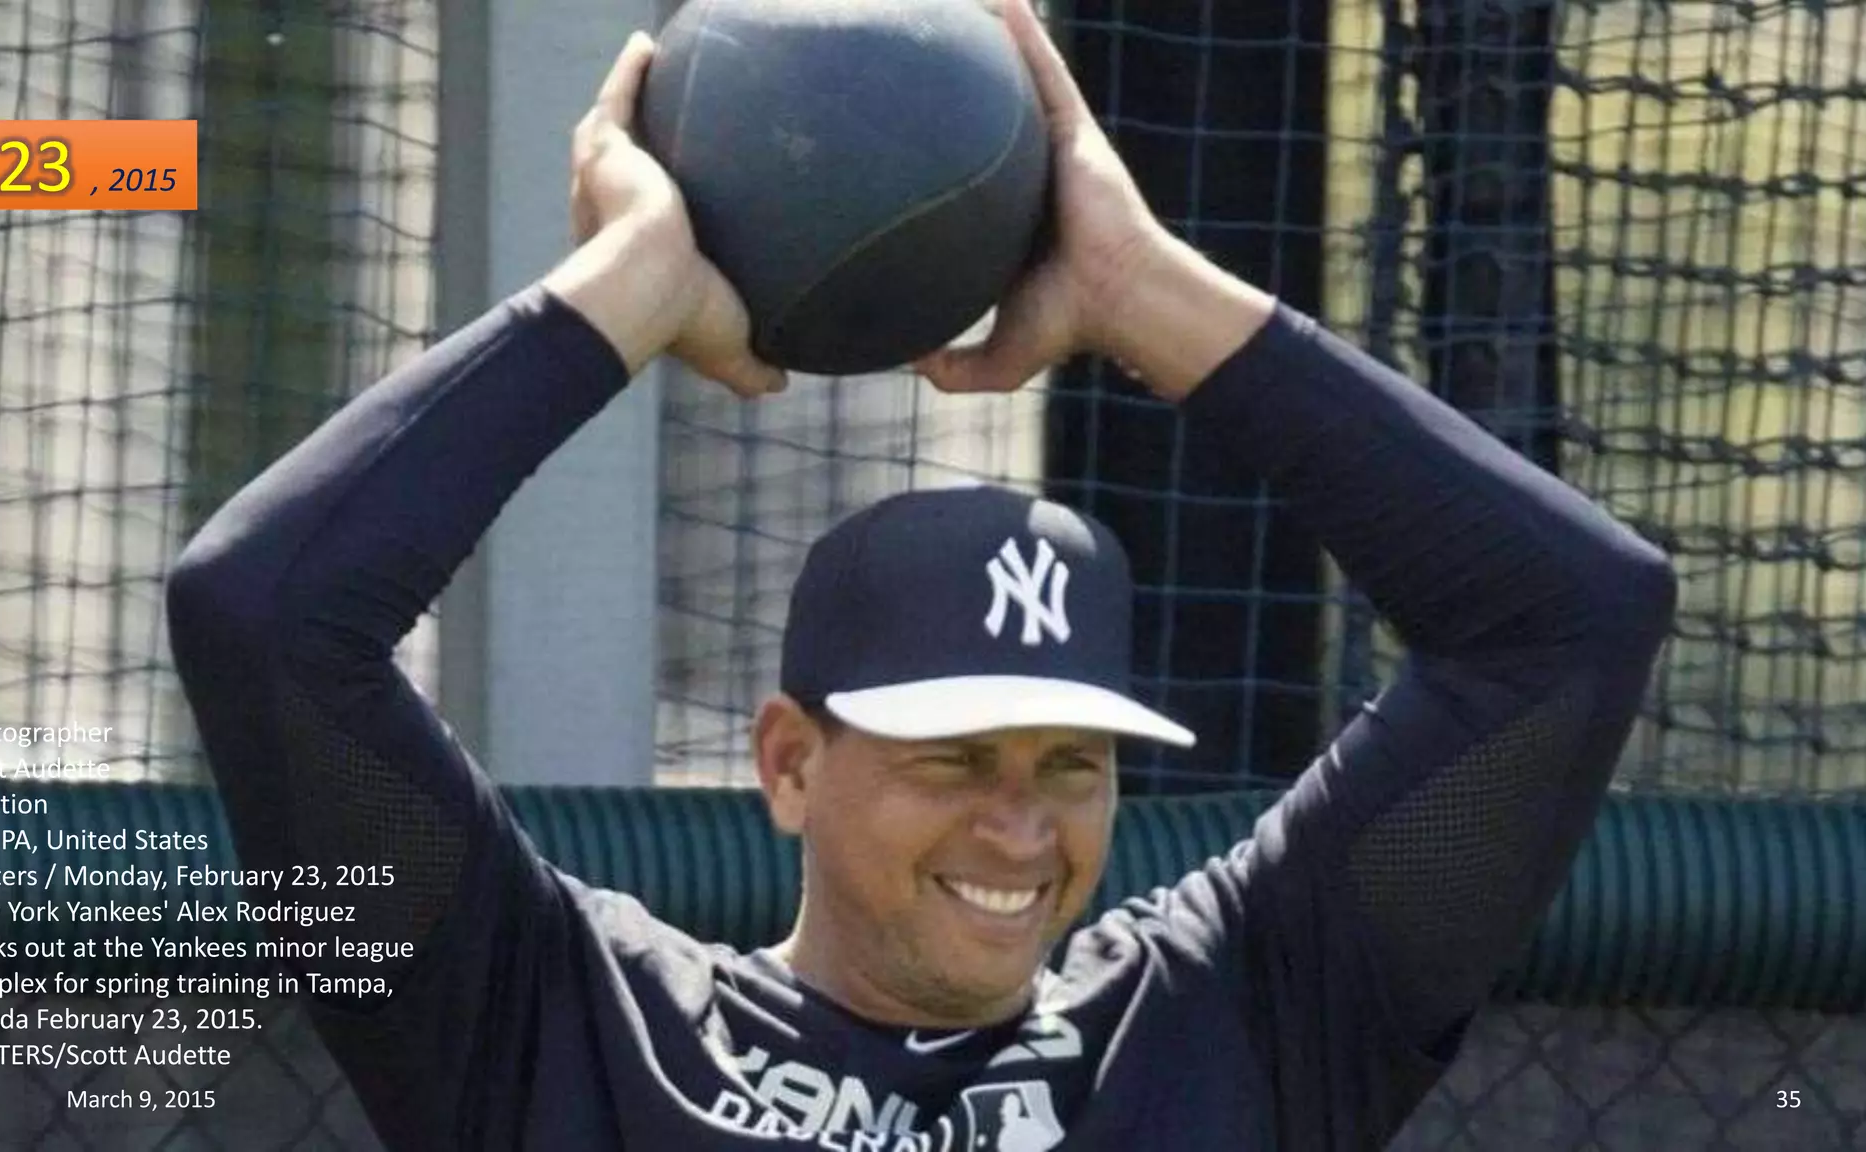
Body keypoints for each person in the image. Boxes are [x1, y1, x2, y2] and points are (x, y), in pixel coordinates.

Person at [165, 2, 1675, 1149]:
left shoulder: (1237, 1019)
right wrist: (622, 297)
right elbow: (267, 614)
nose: (1018, 825)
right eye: (953, 758)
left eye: (1072, 763)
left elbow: (1570, 620)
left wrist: (1136, 290)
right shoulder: (560, 1029)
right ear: (790, 762)